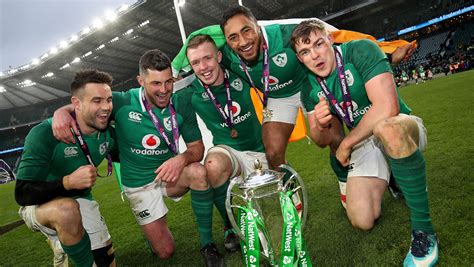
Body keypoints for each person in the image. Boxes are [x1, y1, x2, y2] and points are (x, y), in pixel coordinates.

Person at [52, 50, 221, 267]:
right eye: (156, 84)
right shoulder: (122, 102)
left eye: (168, 82)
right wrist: (61, 112)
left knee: (198, 171)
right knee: (165, 252)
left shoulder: (181, 101)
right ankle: (155, 232)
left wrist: (181, 159)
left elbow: (197, 148)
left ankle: (207, 245)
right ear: (141, 81)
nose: (164, 90)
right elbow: (87, 105)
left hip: (170, 175)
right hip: (139, 184)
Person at [290, 19, 438, 267]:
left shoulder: (360, 49)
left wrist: (347, 144)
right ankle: (392, 177)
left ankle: (424, 233)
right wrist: (318, 124)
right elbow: (324, 141)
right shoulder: (308, 86)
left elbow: (387, 107)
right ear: (300, 58)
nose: (315, 55)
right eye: (305, 52)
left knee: (386, 128)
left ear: (330, 39)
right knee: (362, 219)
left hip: (400, 125)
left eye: (318, 44)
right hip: (364, 142)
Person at [15, 69, 117, 267]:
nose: (106, 107)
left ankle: (64, 242)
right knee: (66, 211)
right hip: (39, 205)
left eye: (109, 100)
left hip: (82, 200)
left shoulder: (107, 131)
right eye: (97, 101)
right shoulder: (44, 133)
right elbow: (22, 193)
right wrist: (68, 182)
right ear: (76, 103)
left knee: (106, 262)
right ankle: (63, 241)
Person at [184, 33, 267, 255]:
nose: (203, 67)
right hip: (229, 154)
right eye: (195, 63)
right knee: (212, 164)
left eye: (207, 58)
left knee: (273, 216)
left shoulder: (240, 70)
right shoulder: (190, 94)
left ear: (219, 56)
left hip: (261, 151)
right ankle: (230, 225)